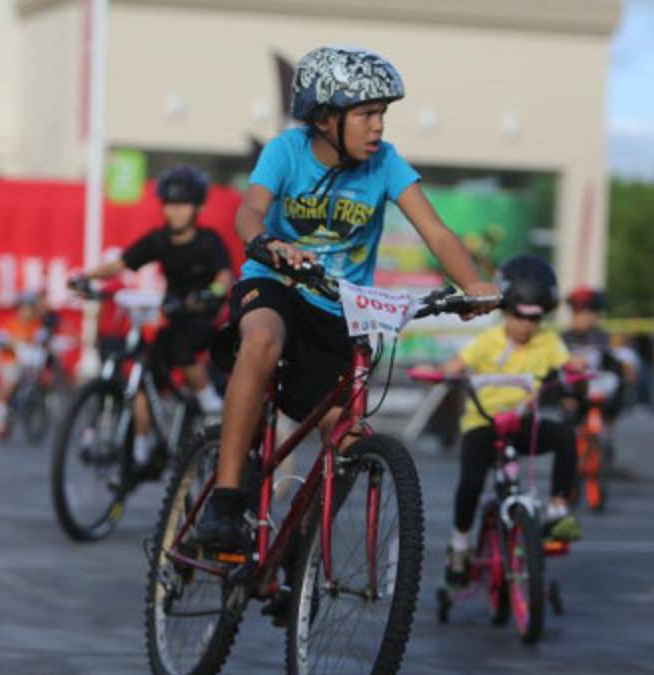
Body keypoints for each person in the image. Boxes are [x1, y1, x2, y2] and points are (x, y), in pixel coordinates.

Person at [194, 45, 496, 555]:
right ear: (326, 117)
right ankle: (224, 500)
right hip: (276, 286)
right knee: (263, 338)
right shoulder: (286, 152)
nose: (378, 127)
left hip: (339, 312)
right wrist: (267, 242)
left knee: (353, 441)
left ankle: (298, 547)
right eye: (367, 114)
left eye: (382, 114)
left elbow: (438, 234)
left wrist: (476, 285)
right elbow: (250, 212)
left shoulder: (386, 164)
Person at [439, 256, 582, 590]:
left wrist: (577, 366)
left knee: (563, 436)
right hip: (483, 424)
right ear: (506, 311)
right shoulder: (490, 341)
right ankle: (460, 544)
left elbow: (566, 361)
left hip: (520, 423)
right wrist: (446, 372)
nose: (526, 326)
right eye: (519, 316)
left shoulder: (547, 341)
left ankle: (557, 511)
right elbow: (456, 363)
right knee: (471, 482)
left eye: (536, 318)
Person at [87, 164, 232, 471]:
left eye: (182, 205)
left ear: (196, 208)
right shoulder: (159, 240)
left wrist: (212, 292)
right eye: (170, 205)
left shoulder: (209, 241)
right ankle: (141, 445)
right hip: (174, 317)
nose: (175, 212)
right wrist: (86, 277)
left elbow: (225, 274)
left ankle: (209, 404)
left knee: (183, 351)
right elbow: (122, 262)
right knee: (143, 376)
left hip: (203, 319)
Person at [561, 286, 632, 424]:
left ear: (596, 315)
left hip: (602, 393)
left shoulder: (606, 339)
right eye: (575, 312)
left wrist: (627, 367)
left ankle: (607, 431)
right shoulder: (563, 339)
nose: (579, 317)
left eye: (584, 312)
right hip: (574, 395)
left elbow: (625, 359)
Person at [0, 293, 44, 438]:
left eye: (30, 309)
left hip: (30, 364)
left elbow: (42, 339)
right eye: (24, 309)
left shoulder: (36, 325)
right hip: (12, 362)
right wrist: (10, 342)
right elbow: (0, 338)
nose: (27, 313)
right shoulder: (10, 324)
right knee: (8, 385)